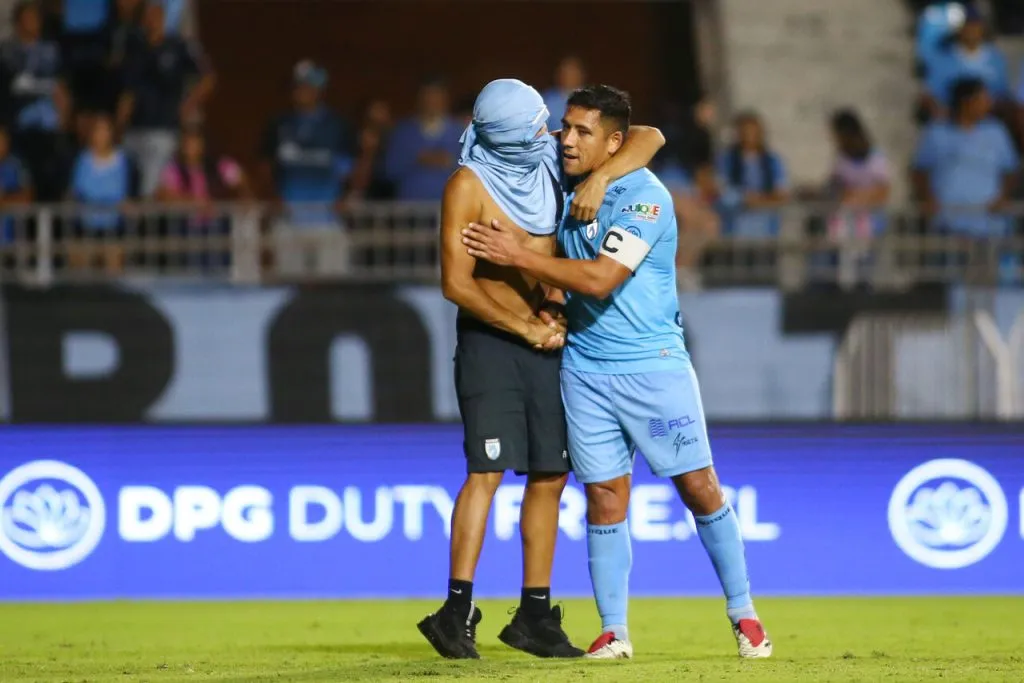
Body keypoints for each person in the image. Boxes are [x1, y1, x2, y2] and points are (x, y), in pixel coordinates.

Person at [461, 84, 772, 660]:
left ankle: (744, 613)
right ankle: (614, 631)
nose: (566, 140)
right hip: (584, 368)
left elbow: (603, 278)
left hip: (652, 369)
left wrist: (520, 255)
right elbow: (647, 135)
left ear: (612, 143)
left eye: (582, 132)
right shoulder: (568, 174)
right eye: (565, 127)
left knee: (699, 489)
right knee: (604, 498)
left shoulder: (645, 199)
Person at [417, 78, 666, 660]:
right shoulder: (467, 186)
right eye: (533, 127)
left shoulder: (549, 161)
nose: (548, 135)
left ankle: (533, 613)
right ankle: (457, 610)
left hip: (551, 341)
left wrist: (602, 176)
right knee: (488, 471)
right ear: (502, 136)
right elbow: (457, 282)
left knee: (551, 474)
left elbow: (650, 136)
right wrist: (526, 326)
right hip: (494, 345)